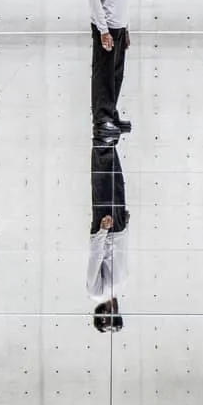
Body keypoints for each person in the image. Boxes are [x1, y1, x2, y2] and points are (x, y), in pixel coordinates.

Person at [87, 0, 132, 136]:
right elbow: (95, 1)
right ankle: (101, 119)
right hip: (105, 29)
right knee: (103, 75)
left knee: (116, 75)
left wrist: (126, 28)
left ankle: (111, 113)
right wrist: (103, 31)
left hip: (119, 28)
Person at [88, 139, 128, 332]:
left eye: (114, 315)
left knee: (103, 179)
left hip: (108, 228)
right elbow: (120, 256)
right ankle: (111, 138)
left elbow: (95, 258)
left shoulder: (96, 294)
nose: (117, 310)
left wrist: (103, 230)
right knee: (117, 179)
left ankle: (103, 132)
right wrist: (125, 227)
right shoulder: (116, 289)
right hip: (118, 228)